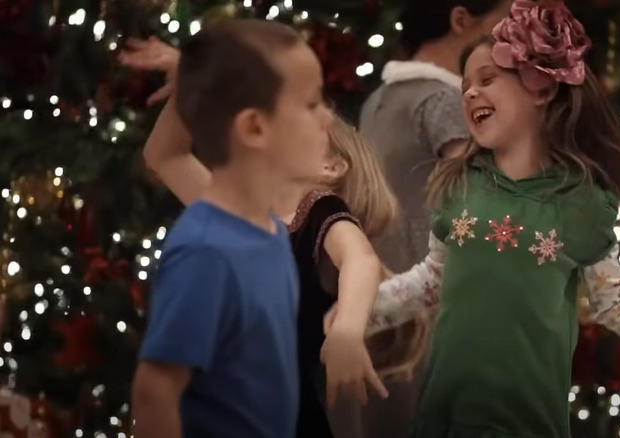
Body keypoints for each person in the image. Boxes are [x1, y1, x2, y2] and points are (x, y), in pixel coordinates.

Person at [338, 2, 620, 437]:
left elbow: (617, 304)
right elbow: (431, 280)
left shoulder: (583, 204)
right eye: (464, 86)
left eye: (487, 79)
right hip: (445, 419)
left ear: (540, 89)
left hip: (527, 422)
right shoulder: (458, 185)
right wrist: (349, 318)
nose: (470, 94)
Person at [120, 35, 428, 438]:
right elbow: (165, 156)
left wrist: (347, 331)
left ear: (332, 166)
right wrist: (189, 86)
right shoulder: (235, 212)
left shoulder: (320, 210)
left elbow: (360, 260)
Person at [131, 19, 332, 438]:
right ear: (254, 128)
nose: (328, 118)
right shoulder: (207, 251)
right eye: (312, 104)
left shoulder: (271, 231)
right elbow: (155, 390)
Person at [358, 3, 510, 437]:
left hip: (379, 301)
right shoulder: (444, 99)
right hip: (431, 312)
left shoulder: (380, 100)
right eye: (504, 23)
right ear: (461, 21)